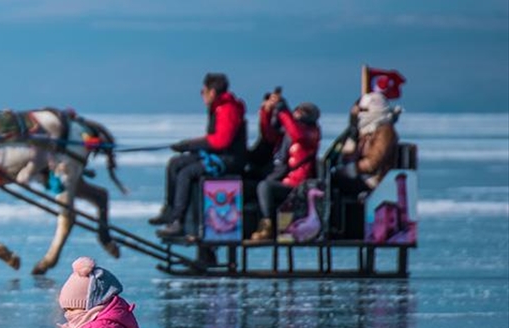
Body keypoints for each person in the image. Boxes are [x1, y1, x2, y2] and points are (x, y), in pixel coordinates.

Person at [152, 72, 248, 239]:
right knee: (176, 163)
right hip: (217, 156)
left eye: (203, 91)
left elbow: (221, 141)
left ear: (212, 91)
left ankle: (179, 222)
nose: (202, 95)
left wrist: (190, 145)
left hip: (228, 160)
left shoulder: (227, 109)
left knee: (186, 173)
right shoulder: (218, 107)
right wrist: (187, 147)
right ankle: (170, 210)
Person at [250, 92, 322, 241]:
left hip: (299, 186)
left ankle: (268, 225)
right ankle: (258, 223)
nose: (296, 113)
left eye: (301, 112)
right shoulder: (287, 134)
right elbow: (268, 134)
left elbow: (297, 134)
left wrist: (283, 109)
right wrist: (267, 111)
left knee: (265, 187)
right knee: (256, 183)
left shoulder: (311, 133)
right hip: (284, 180)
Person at [332, 77, 400, 197]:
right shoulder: (365, 131)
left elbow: (374, 161)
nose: (361, 114)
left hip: (375, 179)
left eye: (364, 110)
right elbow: (348, 154)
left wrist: (353, 169)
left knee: (338, 183)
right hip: (362, 176)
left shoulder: (385, 132)